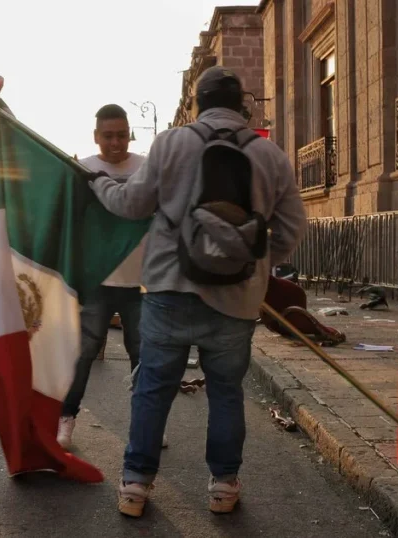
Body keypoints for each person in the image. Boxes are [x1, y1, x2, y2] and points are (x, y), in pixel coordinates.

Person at [89, 66, 307, 517]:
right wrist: (256, 264)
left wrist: (99, 183)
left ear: (197, 105)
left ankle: (135, 486)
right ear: (242, 107)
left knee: (152, 388)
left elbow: (132, 205)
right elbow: (290, 231)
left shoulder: (171, 143)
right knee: (226, 392)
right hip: (237, 299)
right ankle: (224, 487)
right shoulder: (271, 156)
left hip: (170, 289)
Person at [57, 104, 149, 450]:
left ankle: (145, 424)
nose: (116, 143)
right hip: (96, 281)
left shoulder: (146, 167)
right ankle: (66, 419)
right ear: (96, 137)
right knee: (83, 353)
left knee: (143, 355)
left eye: (122, 135)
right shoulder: (81, 170)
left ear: (130, 134)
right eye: (108, 136)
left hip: (140, 281)